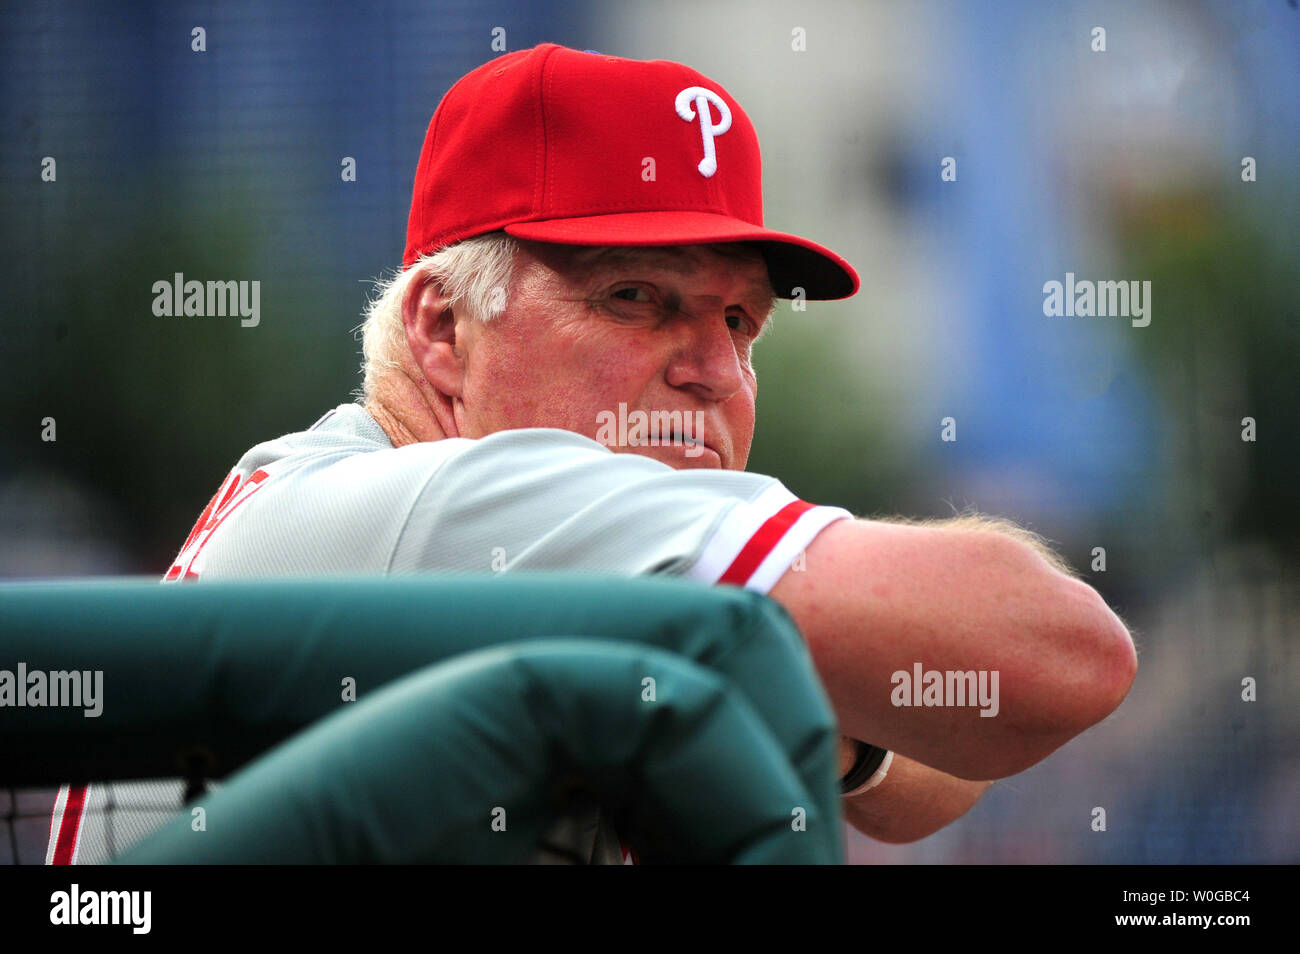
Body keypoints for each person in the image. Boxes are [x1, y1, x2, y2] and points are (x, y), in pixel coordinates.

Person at [48, 43, 1136, 865]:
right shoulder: (453, 501)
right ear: (440, 328)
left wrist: (803, 689)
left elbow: (950, 746)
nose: (711, 367)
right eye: (635, 298)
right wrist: (799, 664)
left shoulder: (357, 486)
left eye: (740, 323)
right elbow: (1058, 657)